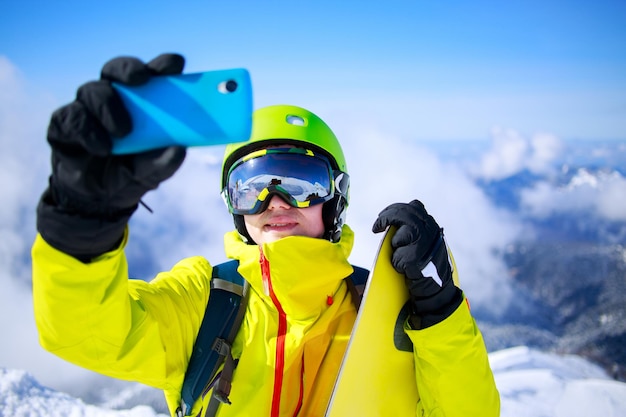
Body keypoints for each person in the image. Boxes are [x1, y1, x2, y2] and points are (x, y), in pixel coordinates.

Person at [31, 53, 500, 417]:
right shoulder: (207, 301)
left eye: (300, 184)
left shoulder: (381, 308)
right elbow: (82, 333)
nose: (274, 203)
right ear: (232, 204)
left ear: (335, 199)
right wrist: (81, 224)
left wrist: (441, 313)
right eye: (251, 187)